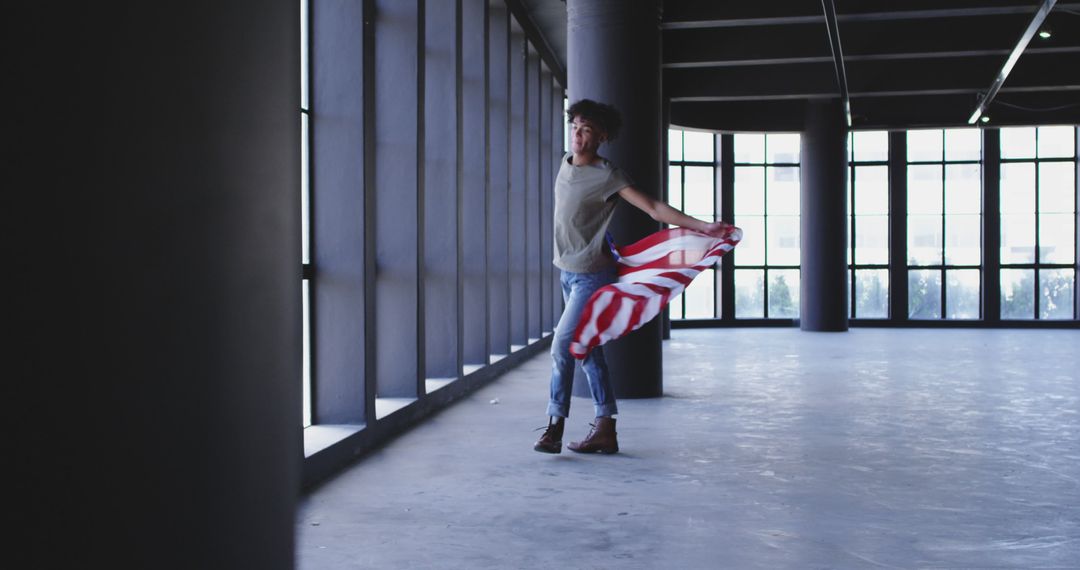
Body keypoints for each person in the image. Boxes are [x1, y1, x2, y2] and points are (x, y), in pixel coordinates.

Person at [534, 99, 733, 455]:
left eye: (588, 131)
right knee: (589, 350)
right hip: (566, 272)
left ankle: (554, 428)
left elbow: (654, 208)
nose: (578, 136)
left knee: (562, 346)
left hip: (591, 278)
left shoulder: (609, 175)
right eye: (575, 127)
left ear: (602, 137)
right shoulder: (565, 163)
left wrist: (704, 226)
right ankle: (605, 427)